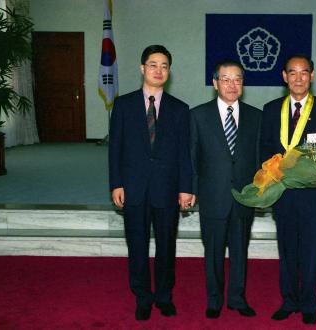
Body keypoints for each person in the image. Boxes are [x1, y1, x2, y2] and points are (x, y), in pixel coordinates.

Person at [109, 45, 195, 321]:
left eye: (164, 66)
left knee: (167, 246)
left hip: (167, 190)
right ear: (142, 68)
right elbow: (115, 149)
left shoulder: (180, 109)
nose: (159, 71)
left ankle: (164, 296)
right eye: (153, 65)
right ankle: (143, 297)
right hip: (133, 187)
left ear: (169, 72)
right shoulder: (122, 105)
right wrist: (116, 183)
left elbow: (185, 153)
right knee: (137, 245)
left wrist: (186, 187)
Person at [260, 54, 316, 325]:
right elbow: (264, 150)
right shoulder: (271, 110)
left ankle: (308, 302)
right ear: (284, 77)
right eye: (292, 73)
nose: (298, 78)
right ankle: (288, 300)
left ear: (312, 75)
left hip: (312, 195)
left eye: (303, 72)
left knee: (309, 249)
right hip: (281, 193)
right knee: (286, 250)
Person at [190, 60, 261, 319]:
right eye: (226, 79)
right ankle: (214, 300)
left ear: (243, 83)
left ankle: (237, 298)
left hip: (244, 197)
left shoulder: (256, 116)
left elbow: (259, 161)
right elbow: (192, 158)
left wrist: (260, 191)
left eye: (238, 79)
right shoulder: (198, 115)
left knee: (240, 251)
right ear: (215, 83)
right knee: (213, 251)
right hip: (213, 196)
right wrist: (191, 190)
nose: (232, 85)